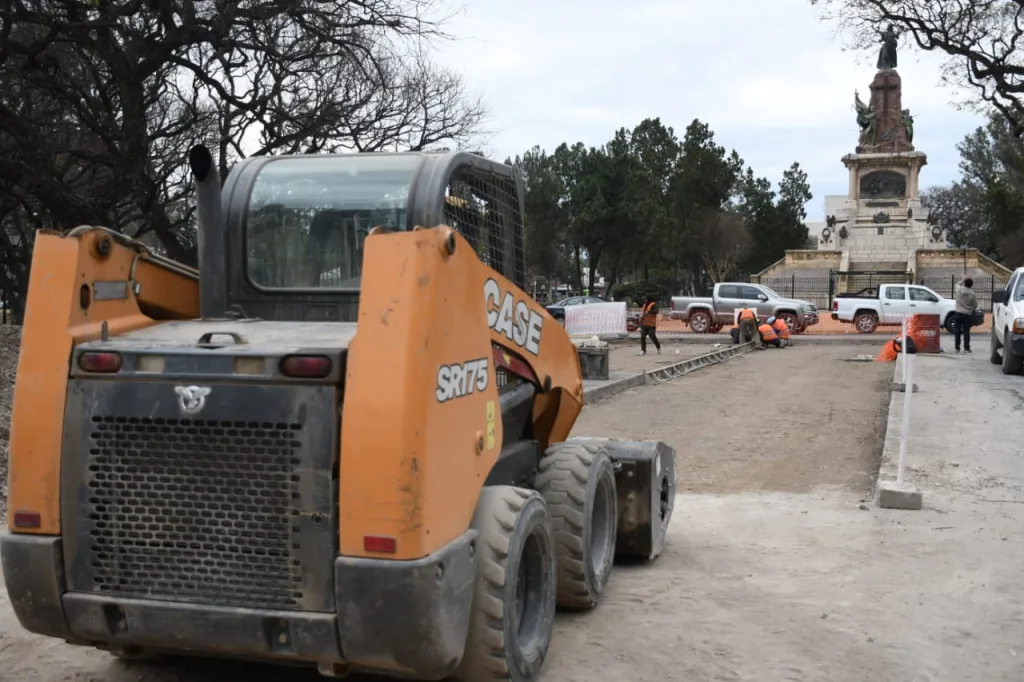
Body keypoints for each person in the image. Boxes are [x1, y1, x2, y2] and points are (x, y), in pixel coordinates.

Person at [953, 277, 978, 354]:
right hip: (967, 314)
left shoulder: (958, 289)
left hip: (958, 313)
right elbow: (975, 305)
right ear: (971, 285)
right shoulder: (972, 293)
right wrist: (971, 308)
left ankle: (957, 348)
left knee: (957, 330)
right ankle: (966, 348)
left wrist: (963, 279)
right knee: (966, 331)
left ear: (964, 283)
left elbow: (956, 284)